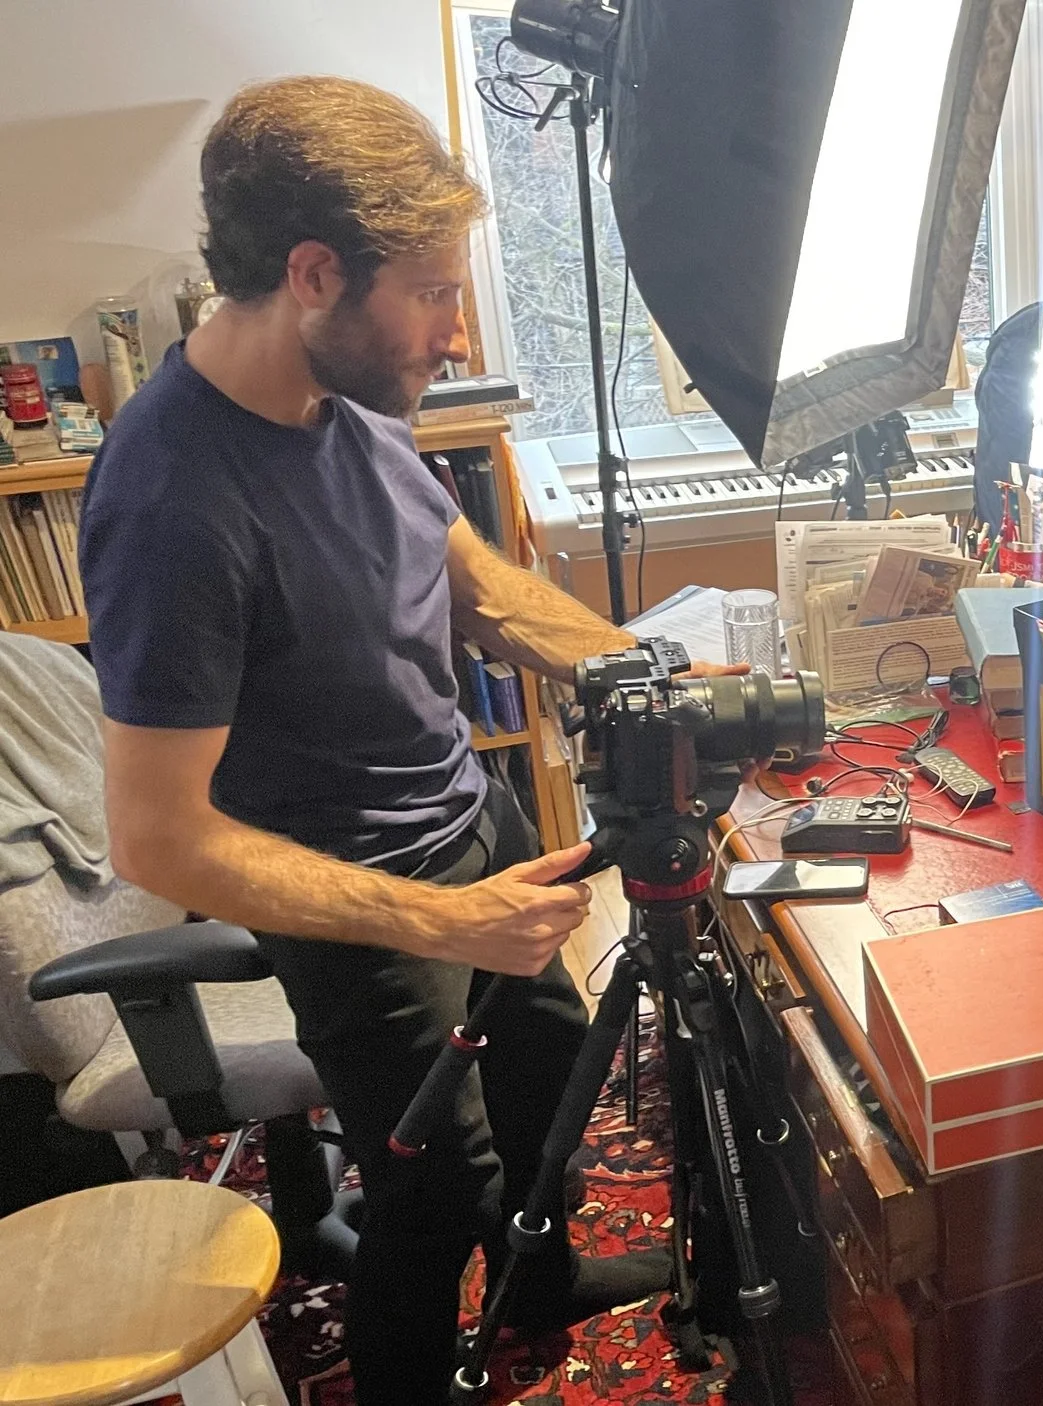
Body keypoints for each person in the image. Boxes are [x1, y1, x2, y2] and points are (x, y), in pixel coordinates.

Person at [78, 77, 742, 1404]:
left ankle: (543, 1281)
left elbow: (473, 581)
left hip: (470, 819)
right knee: (435, 1196)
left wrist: (635, 666)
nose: (456, 328)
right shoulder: (173, 501)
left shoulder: (348, 401)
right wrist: (444, 928)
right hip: (357, 900)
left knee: (558, 1075)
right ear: (314, 272)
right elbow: (159, 834)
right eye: (435, 291)